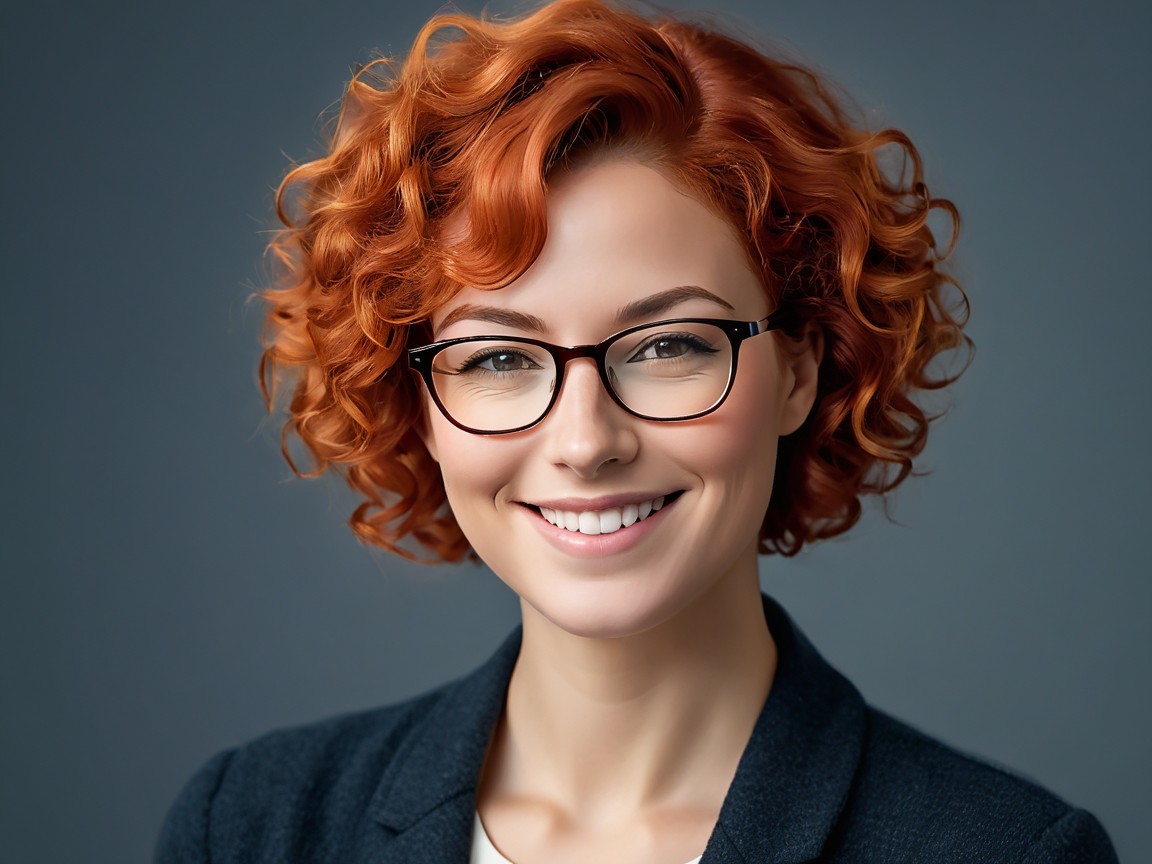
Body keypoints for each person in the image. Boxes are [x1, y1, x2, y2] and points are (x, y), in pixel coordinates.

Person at [155, 1, 1119, 861]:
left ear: (801, 368)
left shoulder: (1008, 852)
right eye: (498, 358)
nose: (585, 440)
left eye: (667, 347)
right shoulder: (252, 828)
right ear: (420, 406)